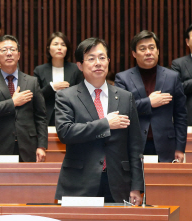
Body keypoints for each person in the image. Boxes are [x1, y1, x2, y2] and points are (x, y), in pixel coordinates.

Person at [54, 37, 144, 205]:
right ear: (80, 65)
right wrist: (105, 123)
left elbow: (135, 146)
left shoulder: (125, 97)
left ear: (108, 62)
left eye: (102, 58)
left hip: (118, 183)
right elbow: (65, 132)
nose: (98, 63)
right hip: (79, 183)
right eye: (91, 58)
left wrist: (137, 186)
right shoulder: (66, 96)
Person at [115, 30, 187, 163]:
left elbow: (180, 115)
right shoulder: (123, 78)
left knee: (164, 183)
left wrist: (180, 148)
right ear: (134, 54)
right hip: (133, 144)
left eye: (151, 47)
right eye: (142, 49)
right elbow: (121, 110)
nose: (148, 52)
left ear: (158, 51)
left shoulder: (172, 77)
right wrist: (149, 102)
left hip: (166, 145)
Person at [0, 35, 47, 162]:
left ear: (19, 55)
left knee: (28, 182)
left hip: (28, 146)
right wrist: (13, 102)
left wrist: (42, 146)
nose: (9, 53)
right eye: (4, 50)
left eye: (13, 49)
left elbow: (41, 116)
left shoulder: (32, 82)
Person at [33, 32, 84, 126]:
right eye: (55, 44)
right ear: (48, 48)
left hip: (71, 115)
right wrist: (52, 87)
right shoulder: (39, 70)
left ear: (67, 49)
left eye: (63, 45)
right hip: (46, 117)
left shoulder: (76, 69)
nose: (59, 47)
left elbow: (82, 94)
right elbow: (36, 97)